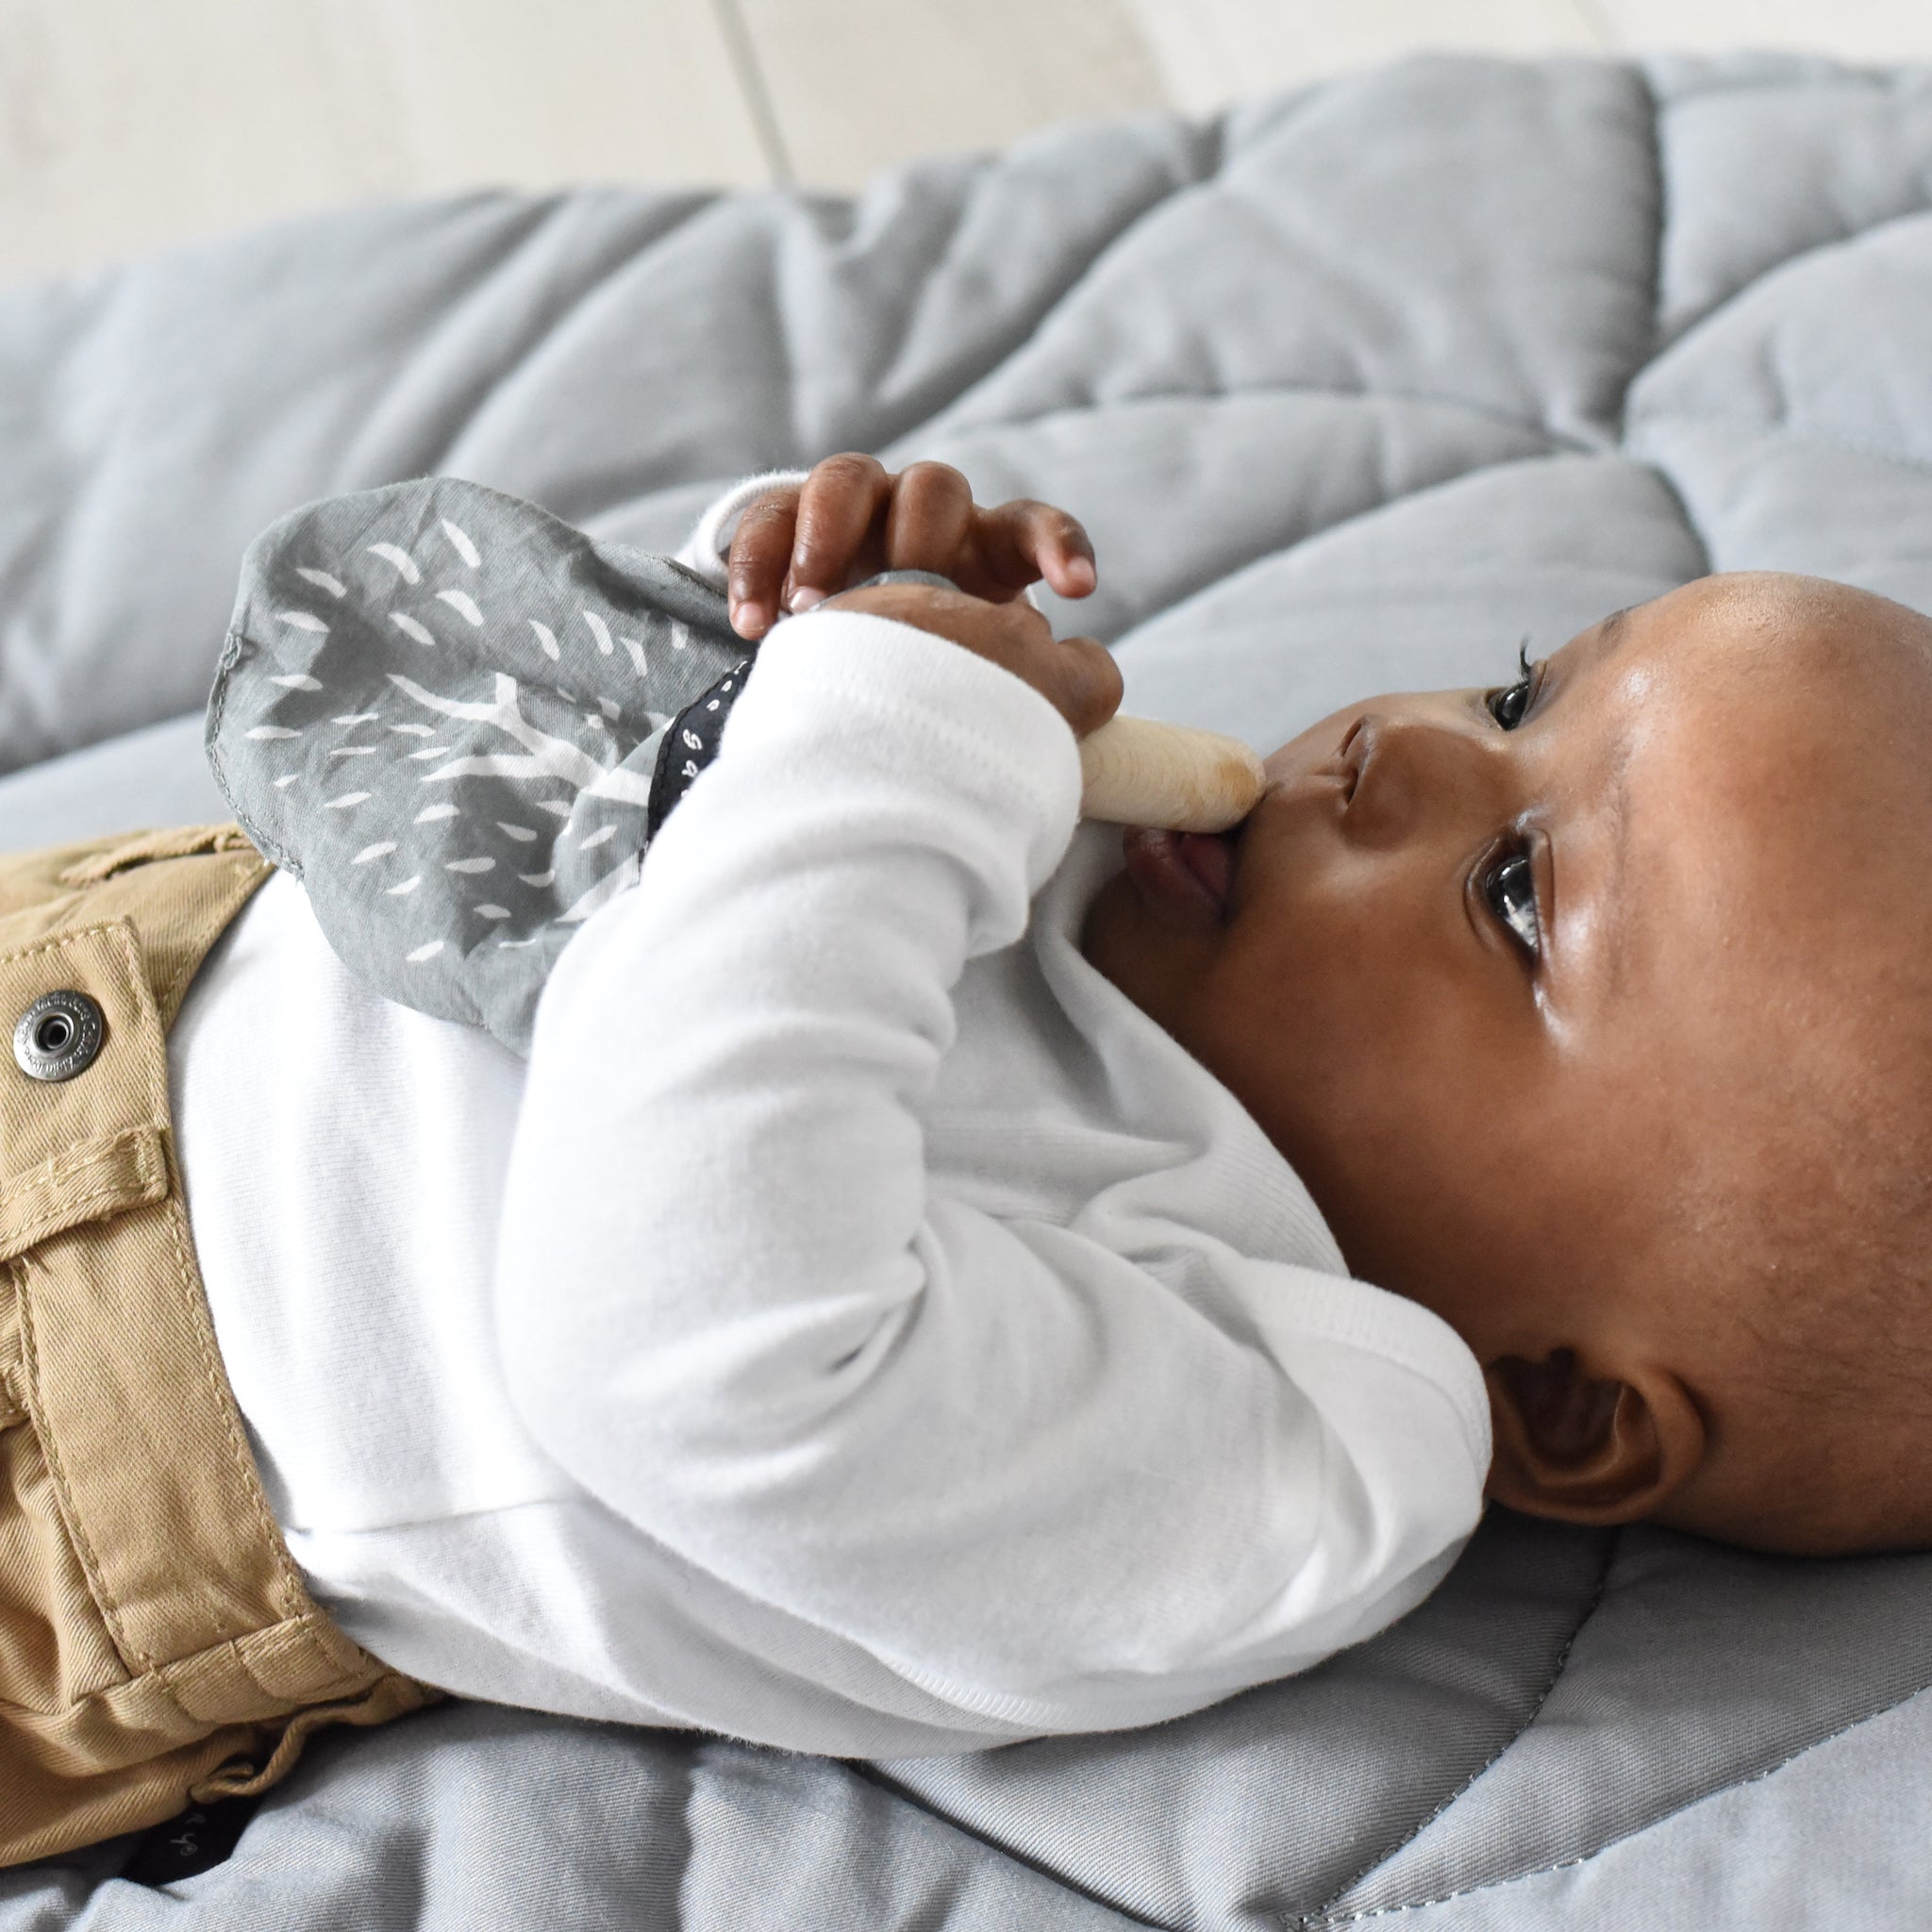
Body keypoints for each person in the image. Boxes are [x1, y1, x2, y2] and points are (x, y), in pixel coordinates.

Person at [9, 453, 1931, 1862]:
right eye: (1520, 690)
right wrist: (807, 617)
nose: (1398, 748)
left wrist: (874, 752)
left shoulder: (1298, 1443)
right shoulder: (1125, 872)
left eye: (1517, 894)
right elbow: (633, 855)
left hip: (74, 1453)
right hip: (130, 961)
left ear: (1565, 1407)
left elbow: (687, 1342)